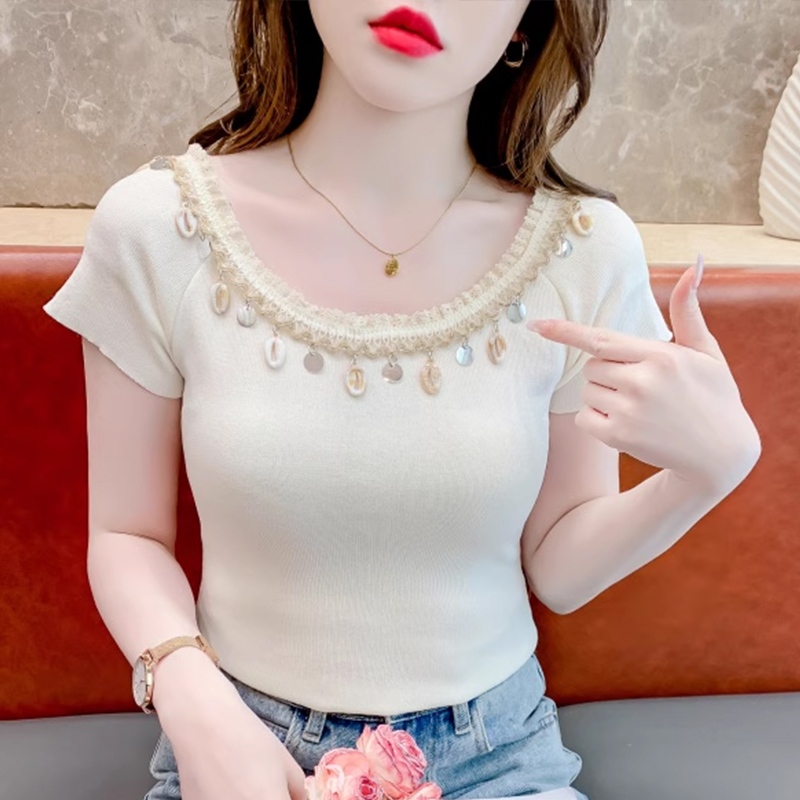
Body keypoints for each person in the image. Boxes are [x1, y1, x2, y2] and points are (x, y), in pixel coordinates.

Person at [41, 1, 762, 799]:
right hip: (240, 748)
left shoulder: (585, 251)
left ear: (525, 24)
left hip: (497, 763)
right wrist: (197, 705)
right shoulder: (158, 228)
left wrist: (708, 473)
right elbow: (127, 534)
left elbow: (560, 565)